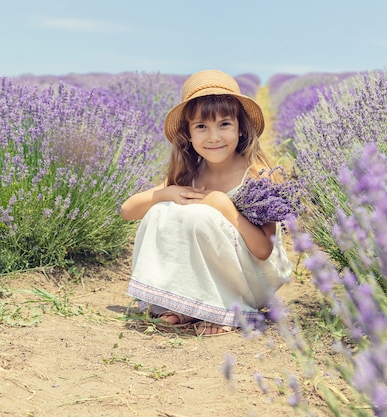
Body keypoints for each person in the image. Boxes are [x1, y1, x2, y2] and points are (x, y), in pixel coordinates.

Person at [120, 69, 292, 335]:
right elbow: (128, 210)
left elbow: (263, 251)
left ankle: (224, 309)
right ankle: (186, 305)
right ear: (188, 134)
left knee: (201, 215)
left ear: (240, 128)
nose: (213, 137)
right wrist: (168, 193)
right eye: (201, 127)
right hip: (216, 272)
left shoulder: (257, 175)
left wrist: (223, 205)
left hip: (251, 279)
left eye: (224, 124)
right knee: (162, 210)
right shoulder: (192, 173)